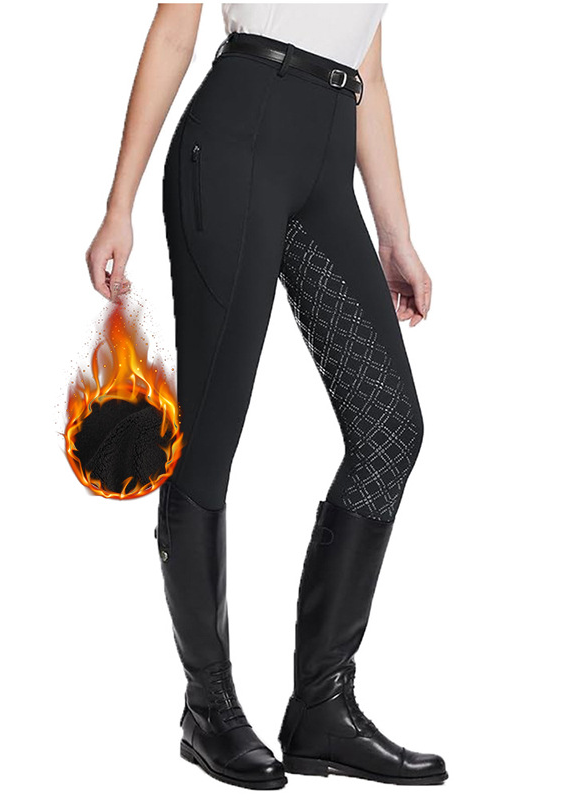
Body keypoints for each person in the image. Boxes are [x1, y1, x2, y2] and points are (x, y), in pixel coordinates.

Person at [85, 3, 447, 790]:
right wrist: (119, 206)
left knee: (390, 428)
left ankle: (322, 709)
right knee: (208, 441)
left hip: (327, 157)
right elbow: (175, 29)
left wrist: (395, 235)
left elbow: (368, 65)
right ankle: (208, 706)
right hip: (235, 139)